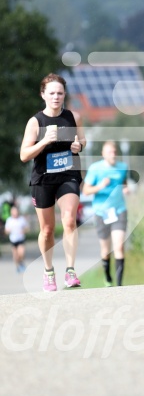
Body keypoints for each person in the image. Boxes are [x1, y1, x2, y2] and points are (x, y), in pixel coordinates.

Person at [20, 73, 86, 291]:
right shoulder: (36, 122)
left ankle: (70, 271)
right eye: (52, 93)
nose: (56, 97)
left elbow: (82, 140)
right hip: (43, 178)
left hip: (68, 174)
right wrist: (44, 141)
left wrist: (79, 146)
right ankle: (49, 271)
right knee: (47, 230)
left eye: (60, 93)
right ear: (43, 95)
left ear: (64, 94)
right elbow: (24, 155)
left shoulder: (73, 117)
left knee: (69, 220)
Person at [82, 140, 129, 287]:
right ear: (103, 154)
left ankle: (119, 285)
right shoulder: (95, 169)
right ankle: (107, 277)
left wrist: (126, 189)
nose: (113, 154)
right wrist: (100, 186)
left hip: (119, 210)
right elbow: (86, 191)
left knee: (119, 246)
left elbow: (125, 183)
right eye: (109, 152)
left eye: (114, 152)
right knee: (105, 249)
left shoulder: (123, 167)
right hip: (101, 212)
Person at [4, 205, 29, 272]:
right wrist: (8, 231)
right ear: (11, 212)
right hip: (13, 239)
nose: (15, 212)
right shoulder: (9, 220)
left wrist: (23, 231)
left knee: (21, 253)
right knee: (15, 256)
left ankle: (21, 263)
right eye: (14, 211)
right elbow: (6, 231)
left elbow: (27, 228)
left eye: (16, 211)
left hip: (21, 239)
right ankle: (18, 266)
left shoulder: (21, 219)